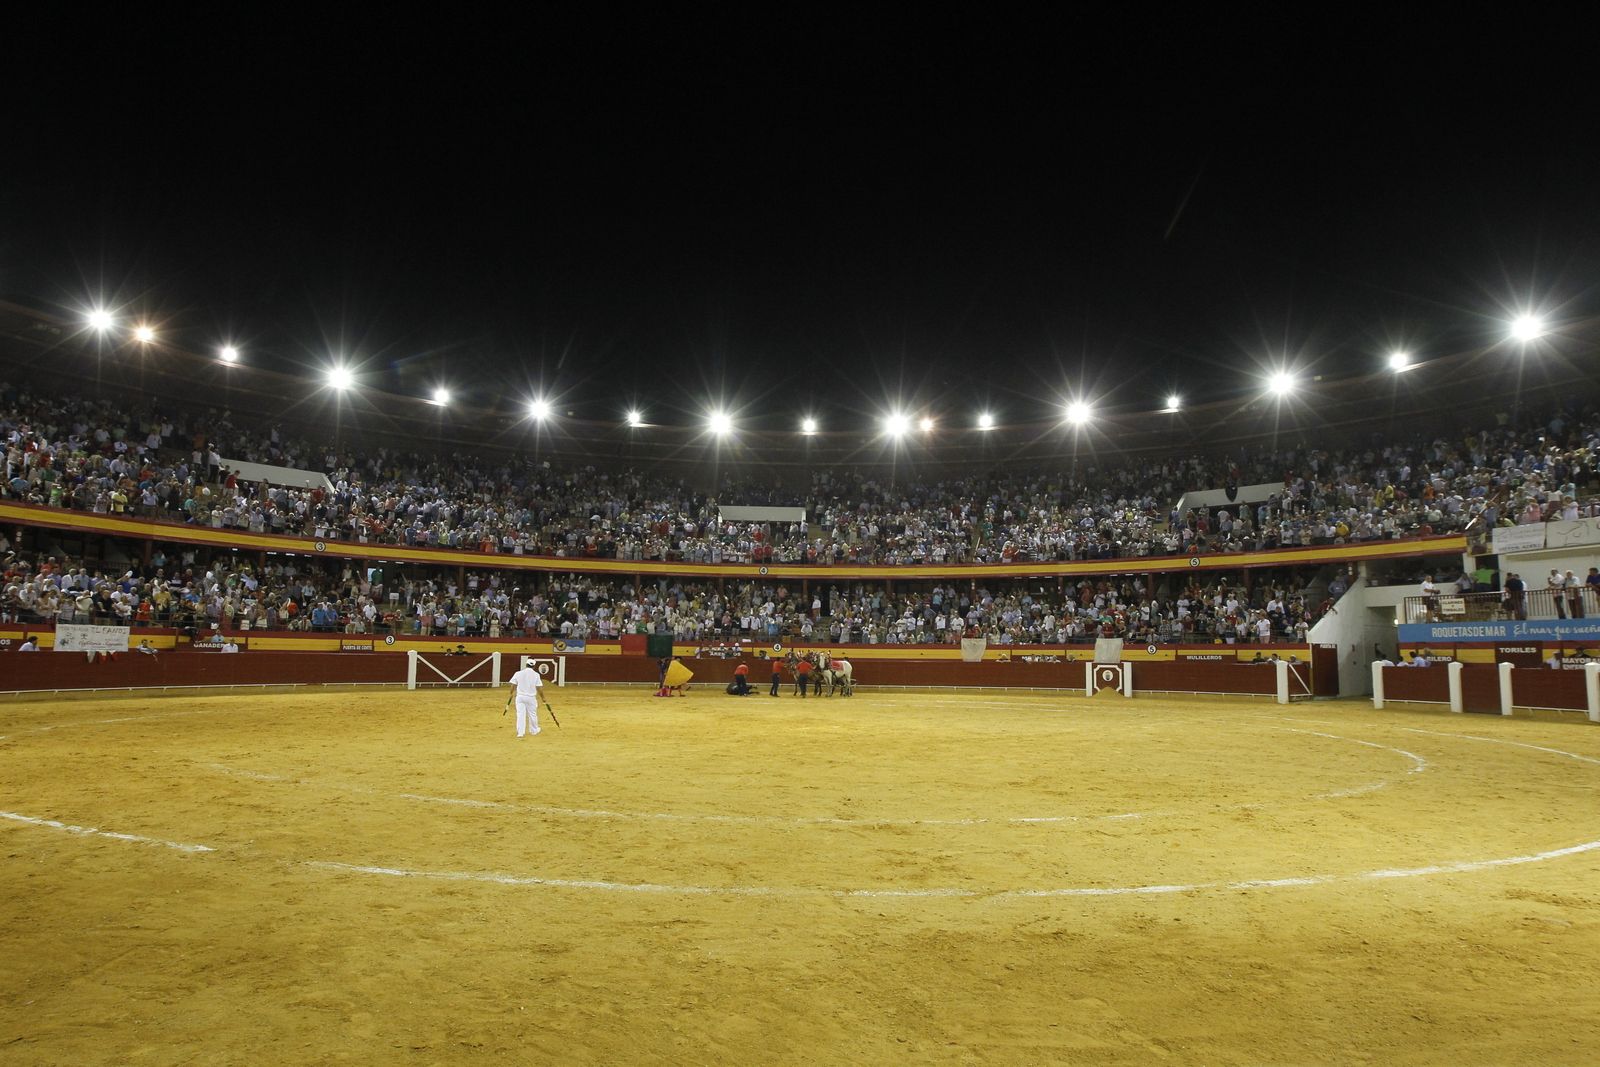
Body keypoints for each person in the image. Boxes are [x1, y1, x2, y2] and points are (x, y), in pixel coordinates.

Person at [503, 656, 545, 737]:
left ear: (526, 664)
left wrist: (511, 693)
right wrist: (543, 698)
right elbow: (539, 688)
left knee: (520, 714)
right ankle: (534, 730)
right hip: (531, 698)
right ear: (534, 666)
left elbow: (513, 685)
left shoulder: (518, 673)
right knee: (532, 714)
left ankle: (520, 733)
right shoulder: (536, 675)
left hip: (520, 697)